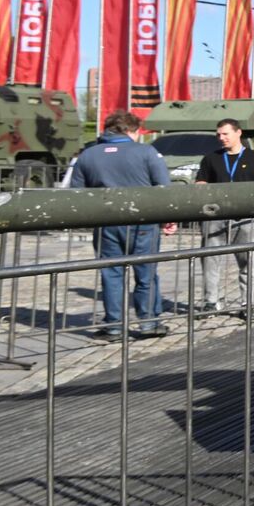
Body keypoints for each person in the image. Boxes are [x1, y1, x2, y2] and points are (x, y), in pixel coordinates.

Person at [69, 110, 171, 339]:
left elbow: (76, 192)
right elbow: (163, 188)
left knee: (111, 274)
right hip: (143, 221)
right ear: (131, 131)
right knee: (146, 273)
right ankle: (149, 323)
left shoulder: (88, 155)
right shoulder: (146, 152)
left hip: (106, 223)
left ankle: (114, 325)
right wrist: (168, 219)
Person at [194, 118, 254, 317]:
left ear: (238, 133)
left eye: (225, 134)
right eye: (218, 135)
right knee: (210, 260)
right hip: (215, 217)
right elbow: (200, 183)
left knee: (247, 262)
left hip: (245, 217)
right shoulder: (211, 158)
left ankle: (247, 304)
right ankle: (210, 302)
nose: (221, 138)